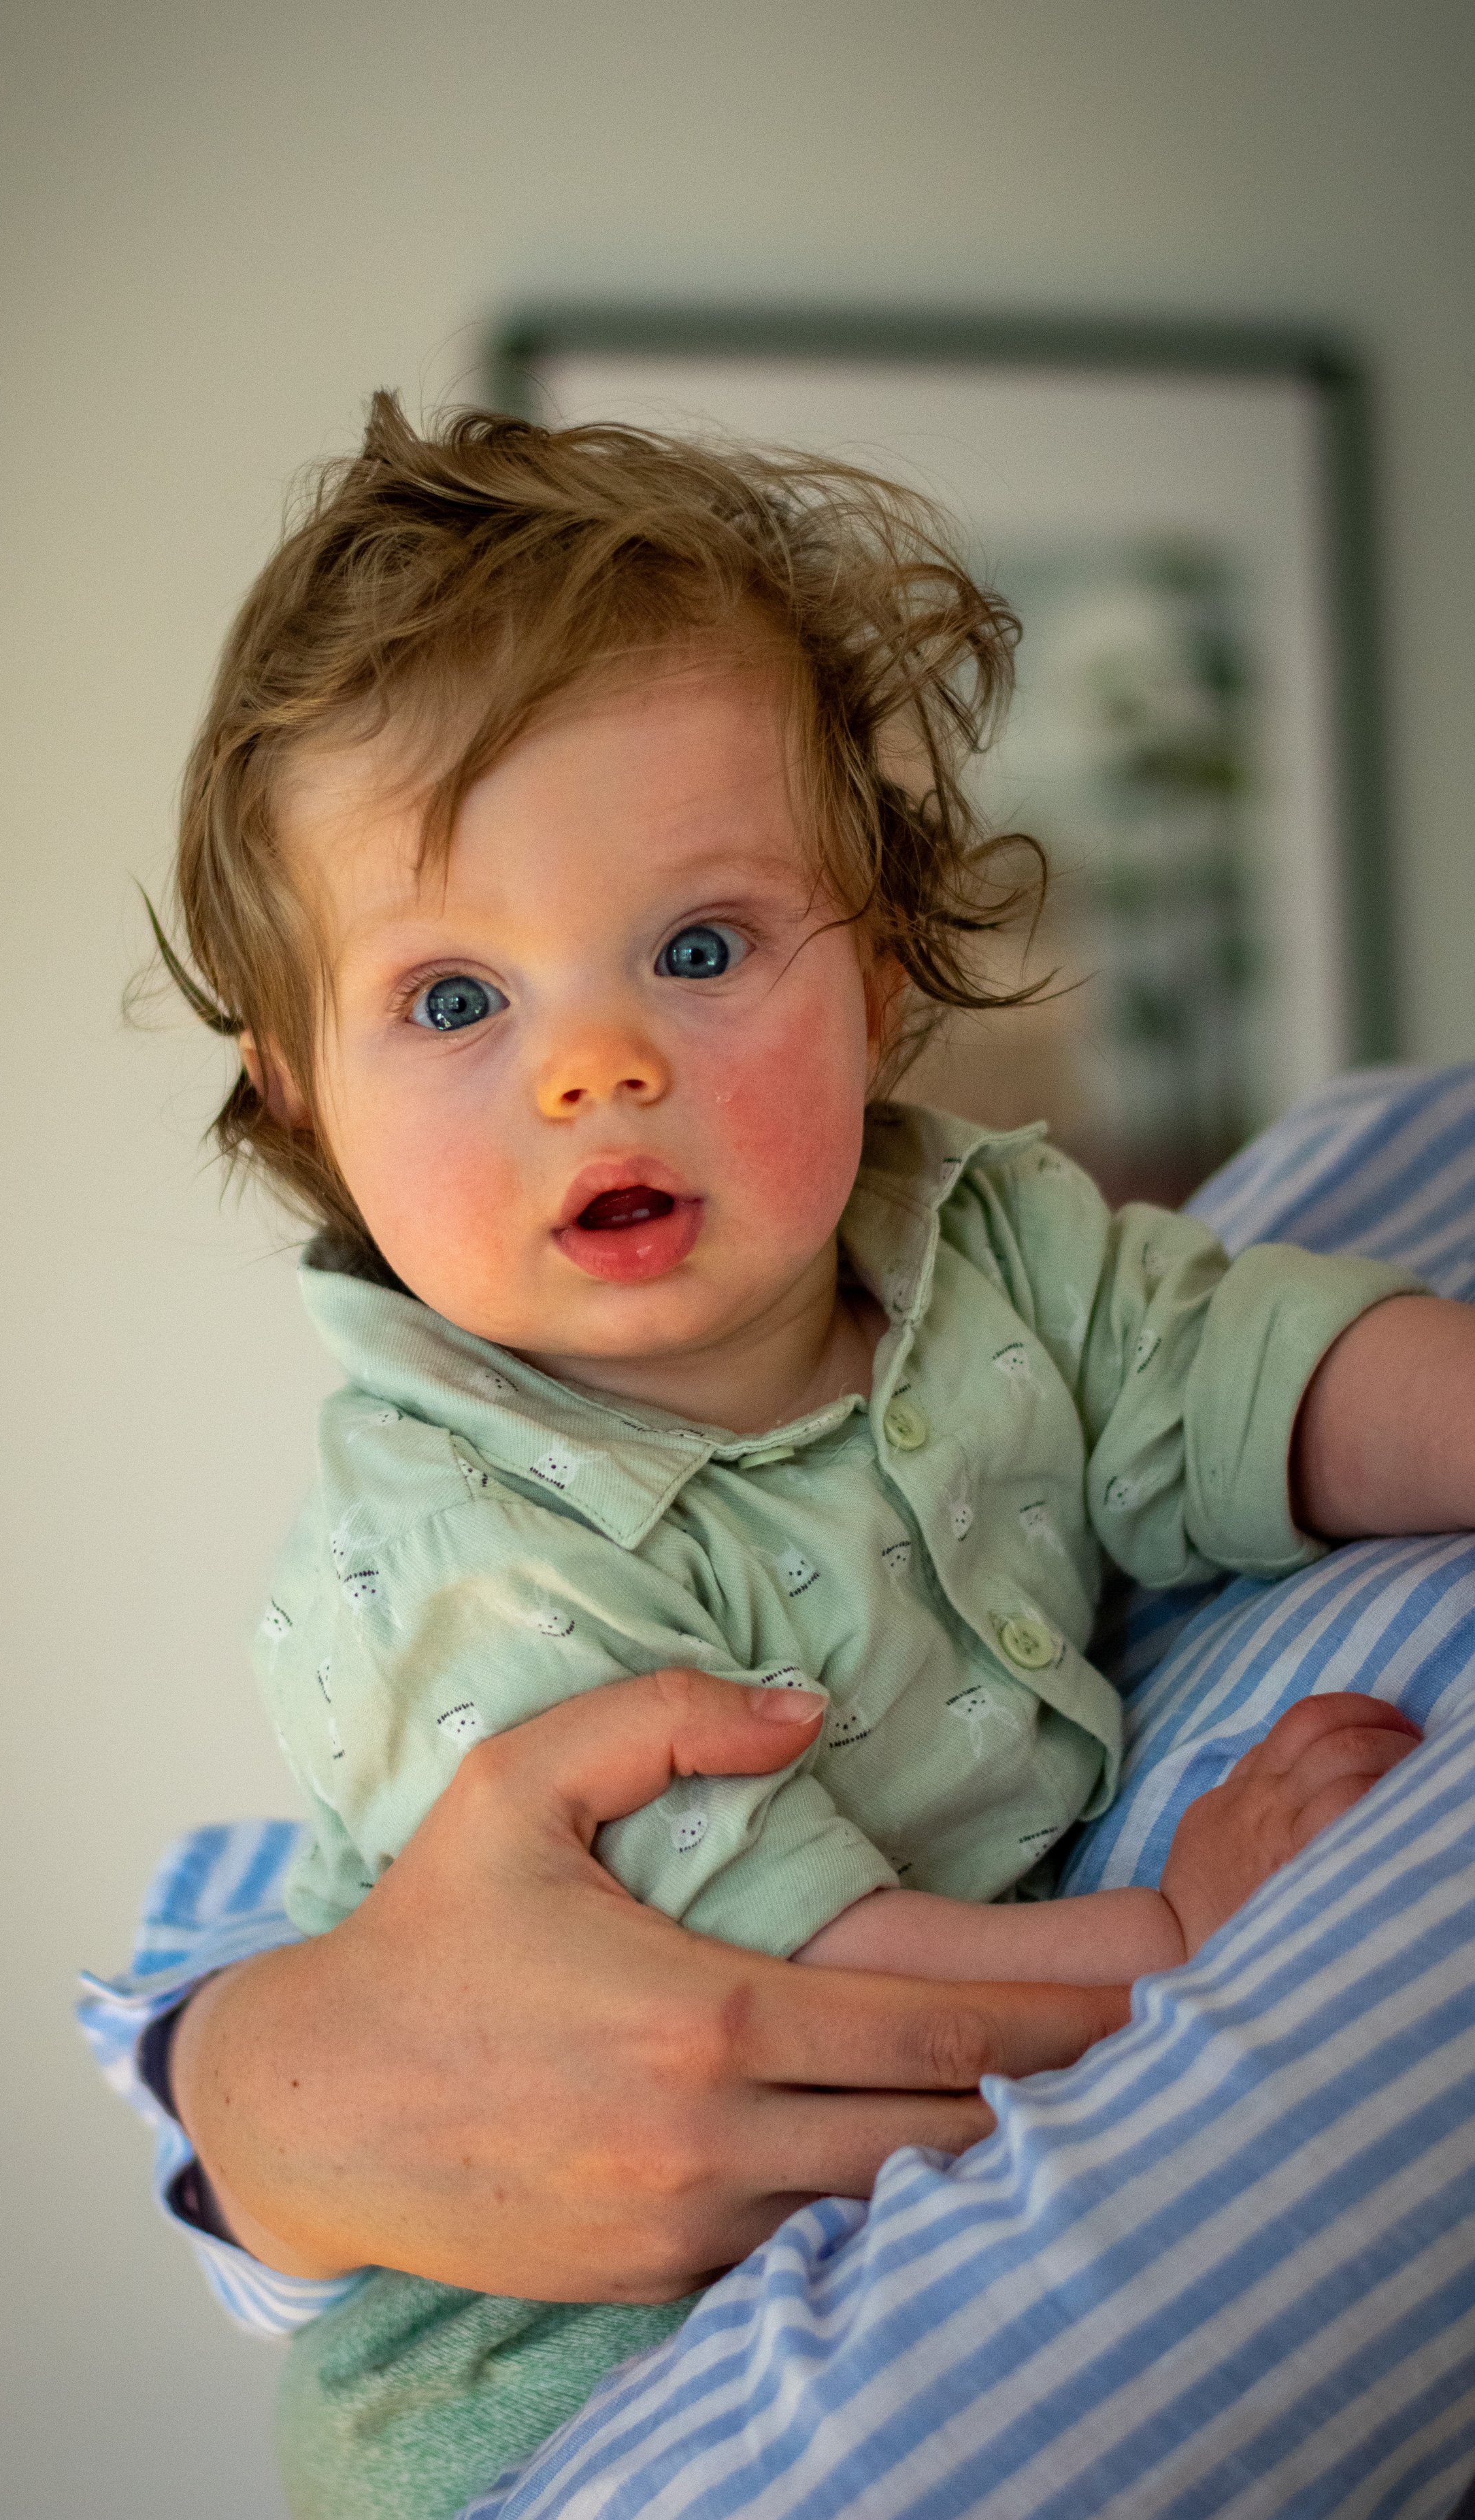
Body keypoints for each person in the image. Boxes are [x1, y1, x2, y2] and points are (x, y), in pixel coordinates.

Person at [125, 398, 1475, 2517]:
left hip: (880, 2185)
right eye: (456, 998)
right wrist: (1182, 1948)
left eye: (696, 946)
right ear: (299, 1097)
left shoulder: (998, 1250)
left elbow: (1257, 1378)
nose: (597, 1065)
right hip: (548, 2372)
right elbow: (770, 2008)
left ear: (879, 961)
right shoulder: (457, 1543)